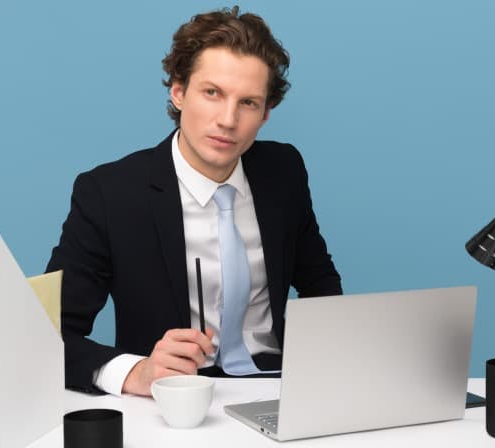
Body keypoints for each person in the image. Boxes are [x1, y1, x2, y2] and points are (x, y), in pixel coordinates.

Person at [46, 6, 342, 396]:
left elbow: (322, 287)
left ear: (266, 114)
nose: (228, 120)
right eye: (212, 93)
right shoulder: (109, 193)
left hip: (279, 389)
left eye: (249, 103)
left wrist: (328, 369)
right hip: (172, 399)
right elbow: (47, 335)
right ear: (179, 92)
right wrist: (136, 373)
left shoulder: (283, 171)